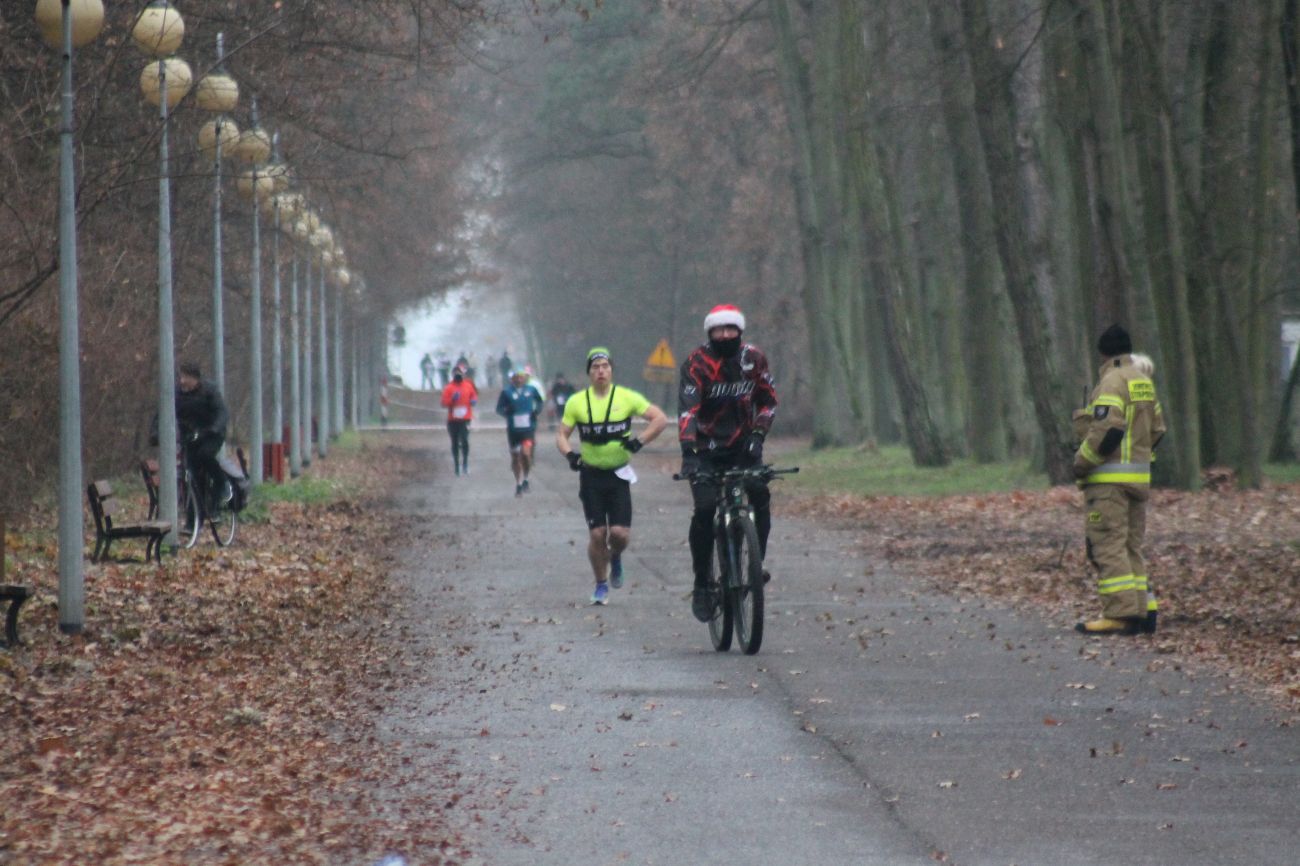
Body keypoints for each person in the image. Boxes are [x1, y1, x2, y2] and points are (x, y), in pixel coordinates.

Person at [679, 304, 778, 622]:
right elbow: (688, 410)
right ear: (710, 332)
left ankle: (756, 564)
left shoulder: (754, 358)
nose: (725, 335)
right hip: (705, 450)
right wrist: (688, 452)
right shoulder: (696, 362)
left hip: (744, 447)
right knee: (705, 509)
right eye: (719, 330)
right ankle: (702, 583)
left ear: (740, 331)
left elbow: (768, 401)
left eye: (730, 329)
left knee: (760, 493)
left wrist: (759, 434)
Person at [1071, 324, 1166, 635]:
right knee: (1130, 547)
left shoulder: (1112, 381)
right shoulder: (1143, 381)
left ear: (1102, 353)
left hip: (1109, 483)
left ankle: (1120, 615)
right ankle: (1145, 610)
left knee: (1108, 546)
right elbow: (1157, 430)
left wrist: (1082, 462)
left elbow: (1108, 430)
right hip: (1138, 481)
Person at [557, 347, 668, 605]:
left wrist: (639, 441)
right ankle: (600, 584)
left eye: (605, 366)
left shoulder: (627, 397)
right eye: (595, 367)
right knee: (597, 534)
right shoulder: (577, 402)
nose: (601, 371)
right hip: (591, 476)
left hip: (618, 476)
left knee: (619, 534)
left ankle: (615, 556)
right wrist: (570, 455)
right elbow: (562, 434)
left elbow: (660, 419)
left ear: (611, 370)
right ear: (589, 373)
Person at [175, 361, 230, 513]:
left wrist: (214, 428)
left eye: (185, 377)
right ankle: (193, 519)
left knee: (205, 455)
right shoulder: (177, 393)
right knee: (193, 474)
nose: (182, 381)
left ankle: (221, 483)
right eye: (180, 377)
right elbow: (163, 413)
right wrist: (155, 432)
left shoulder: (209, 391)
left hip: (211, 435)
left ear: (195, 378)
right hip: (190, 437)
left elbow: (222, 413)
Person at [496, 369, 545, 496]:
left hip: (528, 429)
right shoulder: (506, 392)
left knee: (526, 454)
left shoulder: (531, 390)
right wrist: (507, 412)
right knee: (515, 457)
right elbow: (499, 408)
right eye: (516, 377)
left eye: (521, 377)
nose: (518, 379)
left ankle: (526, 478)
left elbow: (540, 402)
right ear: (512, 379)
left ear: (525, 378)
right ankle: (518, 483)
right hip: (513, 430)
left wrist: (536, 411)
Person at [441, 364, 479, 476]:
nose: (458, 375)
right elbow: (443, 403)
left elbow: (474, 396)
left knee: (465, 439)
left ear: (463, 374)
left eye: (460, 373)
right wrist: (452, 400)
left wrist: (473, 400)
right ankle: (456, 465)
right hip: (453, 420)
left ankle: (465, 463)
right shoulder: (448, 388)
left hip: (465, 419)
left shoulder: (468, 385)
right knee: (454, 441)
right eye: (455, 373)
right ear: (452, 374)